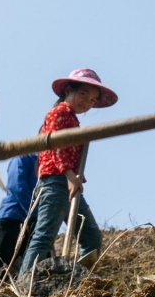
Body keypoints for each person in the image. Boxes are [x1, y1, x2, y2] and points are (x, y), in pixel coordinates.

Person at [19, 68, 117, 275]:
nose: (87, 102)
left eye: (92, 100)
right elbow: (57, 146)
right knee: (44, 236)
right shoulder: (59, 113)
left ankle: (76, 279)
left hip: (69, 182)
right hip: (55, 181)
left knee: (91, 238)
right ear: (68, 90)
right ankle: (24, 283)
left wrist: (75, 176)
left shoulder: (73, 119)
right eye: (83, 94)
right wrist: (69, 175)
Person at [0, 153, 39, 274]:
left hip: (32, 222)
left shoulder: (45, 165)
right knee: (0, 266)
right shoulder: (24, 158)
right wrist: (33, 213)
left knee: (38, 266)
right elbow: (16, 186)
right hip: (12, 218)